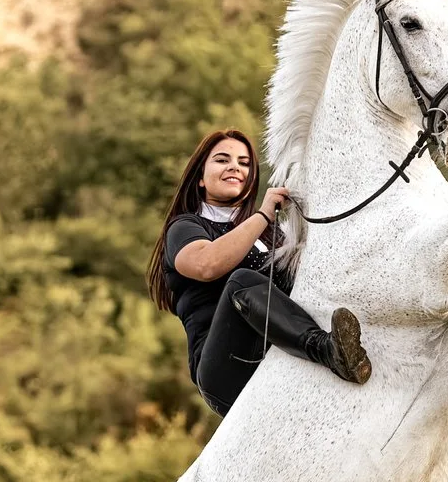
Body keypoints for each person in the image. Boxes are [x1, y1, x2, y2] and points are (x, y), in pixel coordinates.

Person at [149, 129, 371, 418]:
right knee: (242, 280)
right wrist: (264, 213)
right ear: (200, 178)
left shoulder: (272, 234)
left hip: (278, 357)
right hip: (225, 372)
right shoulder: (185, 227)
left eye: (244, 163)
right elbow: (207, 265)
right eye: (222, 159)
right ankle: (326, 350)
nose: (235, 167)